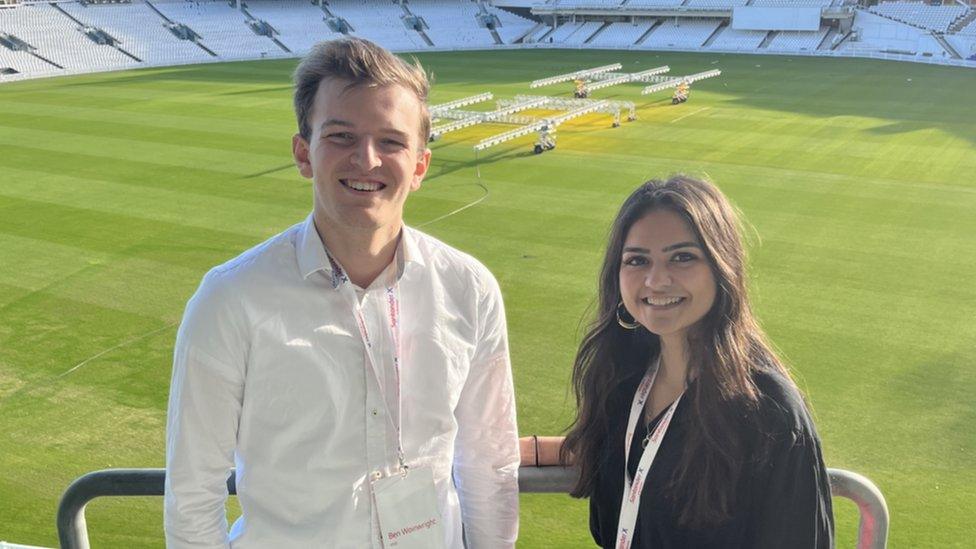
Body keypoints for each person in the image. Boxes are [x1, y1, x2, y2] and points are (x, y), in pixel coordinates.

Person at [164, 38, 519, 548]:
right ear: (303, 153)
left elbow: (489, 467)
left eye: (392, 142)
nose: (367, 159)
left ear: (420, 165)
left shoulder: (470, 289)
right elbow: (192, 494)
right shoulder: (231, 300)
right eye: (341, 136)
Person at [560, 176, 834, 548]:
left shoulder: (767, 410)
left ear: (723, 267)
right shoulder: (620, 381)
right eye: (637, 260)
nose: (656, 280)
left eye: (682, 257)